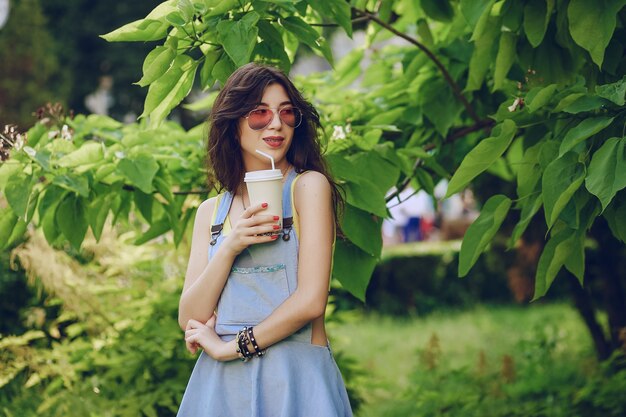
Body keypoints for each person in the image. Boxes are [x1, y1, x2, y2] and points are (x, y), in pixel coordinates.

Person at [176, 63, 353, 416]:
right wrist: (231, 245)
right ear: (234, 123)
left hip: (296, 383)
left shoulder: (308, 187)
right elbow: (190, 317)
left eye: (287, 113)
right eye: (260, 113)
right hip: (220, 390)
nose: (276, 123)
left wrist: (231, 347)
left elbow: (310, 302)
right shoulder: (210, 212)